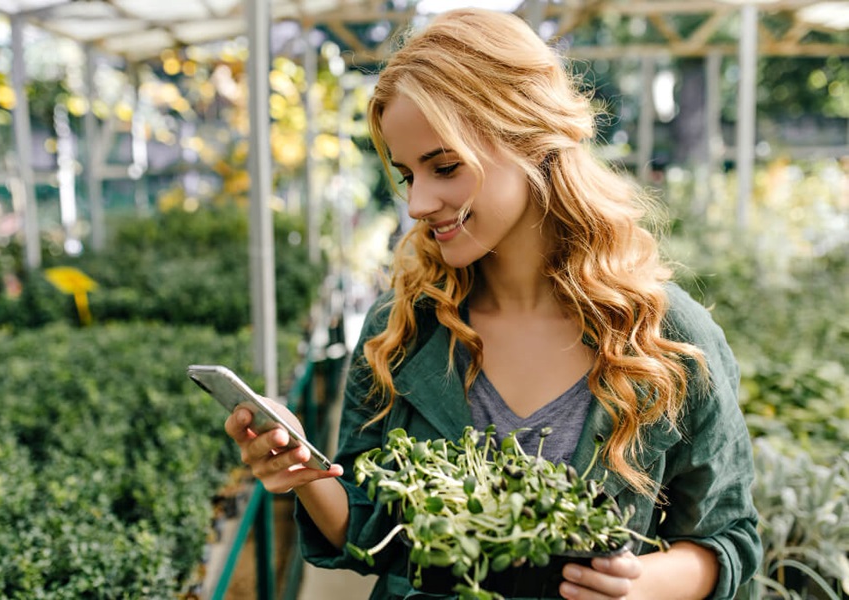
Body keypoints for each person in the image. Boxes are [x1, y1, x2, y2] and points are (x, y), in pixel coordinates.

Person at [225, 8, 761, 599]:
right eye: (407, 176)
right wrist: (304, 471)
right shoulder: (400, 329)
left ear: (531, 138)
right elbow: (366, 527)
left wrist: (638, 586)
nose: (418, 203)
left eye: (445, 167)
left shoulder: (667, 334)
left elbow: (726, 539)